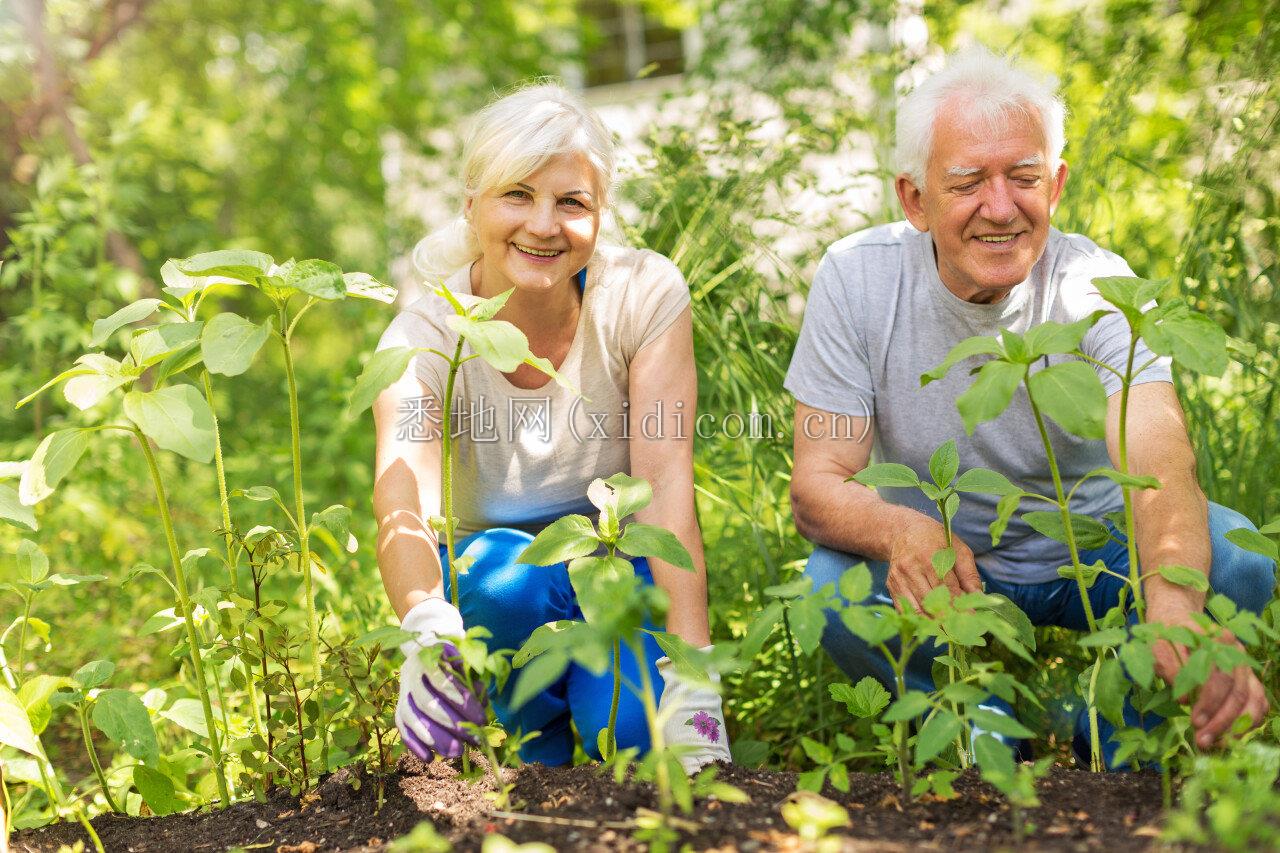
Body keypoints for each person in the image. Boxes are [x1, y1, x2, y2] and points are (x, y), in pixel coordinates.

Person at [785, 47, 1276, 768]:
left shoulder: (1100, 288)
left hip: (1096, 557)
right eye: (966, 183)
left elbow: (1161, 459)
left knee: (1233, 554)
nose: (1001, 207)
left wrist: (1173, 606)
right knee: (829, 586)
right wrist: (900, 528)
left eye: (1024, 178)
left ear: (1058, 184)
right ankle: (986, 729)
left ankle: (1117, 741)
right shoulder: (855, 281)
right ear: (914, 199)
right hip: (951, 562)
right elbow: (817, 481)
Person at [372, 83, 731, 773]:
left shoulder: (643, 296)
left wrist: (695, 671)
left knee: (643, 743)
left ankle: (600, 716)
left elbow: (663, 486)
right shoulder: (423, 334)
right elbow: (404, 496)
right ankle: (524, 743)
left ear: (599, 215)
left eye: (571, 202)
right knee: (515, 579)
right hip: (489, 588)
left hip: (613, 570)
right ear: (470, 203)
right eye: (517, 195)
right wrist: (423, 624)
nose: (543, 224)